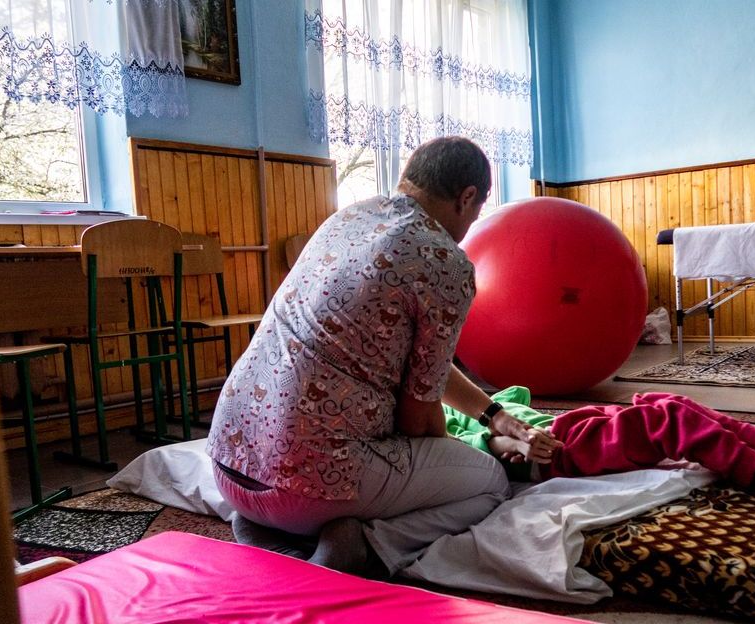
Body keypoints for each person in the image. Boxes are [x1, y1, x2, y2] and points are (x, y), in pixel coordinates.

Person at [206, 136, 559, 577]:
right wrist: (467, 453)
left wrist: (493, 416)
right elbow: (417, 421)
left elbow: (421, 364)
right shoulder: (443, 261)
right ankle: (366, 547)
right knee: (489, 483)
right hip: (306, 484)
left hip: (229, 466)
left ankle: (270, 529)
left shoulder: (346, 219)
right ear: (467, 198)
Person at [446, 386, 755, 504]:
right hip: (554, 452)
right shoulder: (436, 414)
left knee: (665, 401)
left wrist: (502, 402)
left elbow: (515, 396)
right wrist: (505, 442)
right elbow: (462, 446)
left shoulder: (457, 393)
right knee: (666, 421)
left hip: (564, 423)